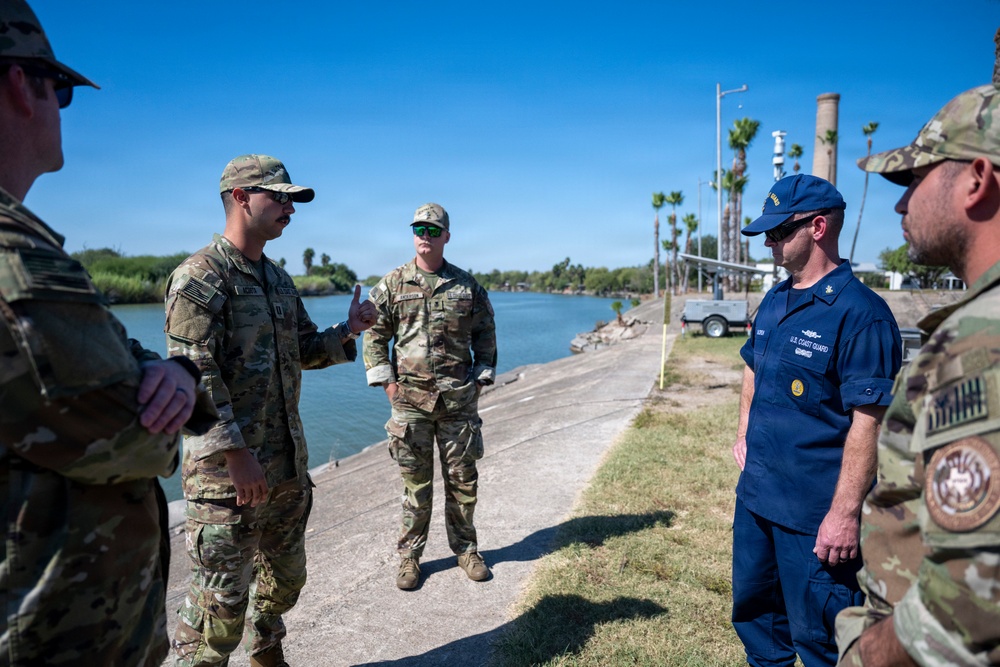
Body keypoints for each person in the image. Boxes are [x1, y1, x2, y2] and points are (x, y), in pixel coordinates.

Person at [0, 2, 216, 665]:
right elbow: (131, 436)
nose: (64, 109)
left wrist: (175, 371)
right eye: (61, 89)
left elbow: (117, 356)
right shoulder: (15, 264)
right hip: (57, 639)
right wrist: (180, 388)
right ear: (21, 86)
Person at [164, 154, 376, 667]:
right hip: (227, 480)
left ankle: (265, 650)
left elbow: (303, 348)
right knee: (219, 609)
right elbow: (194, 375)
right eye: (279, 197)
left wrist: (348, 330)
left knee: (285, 581)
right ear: (240, 197)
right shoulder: (200, 277)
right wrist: (236, 455)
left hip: (284, 468)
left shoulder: (279, 280)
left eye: (292, 200)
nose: (290, 208)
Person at [836, 84, 1000, 666]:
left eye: (914, 180)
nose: (900, 206)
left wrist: (865, 653)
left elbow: (974, 600)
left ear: (976, 180)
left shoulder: (981, 343)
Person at [732, 174, 902, 666]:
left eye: (779, 232)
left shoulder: (862, 316)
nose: (768, 242)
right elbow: (752, 364)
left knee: (823, 642)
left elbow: (870, 421)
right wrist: (743, 434)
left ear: (819, 227)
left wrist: (844, 515)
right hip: (758, 500)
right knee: (759, 625)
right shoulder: (775, 299)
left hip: (814, 516)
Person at [363, 203, 497, 590]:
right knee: (415, 488)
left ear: (446, 237)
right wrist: (388, 385)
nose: (425, 235)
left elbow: (485, 334)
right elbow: (374, 336)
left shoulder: (466, 286)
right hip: (410, 404)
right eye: (419, 229)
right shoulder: (392, 284)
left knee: (463, 482)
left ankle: (466, 550)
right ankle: (410, 557)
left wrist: (480, 379)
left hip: (458, 402)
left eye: (433, 230)